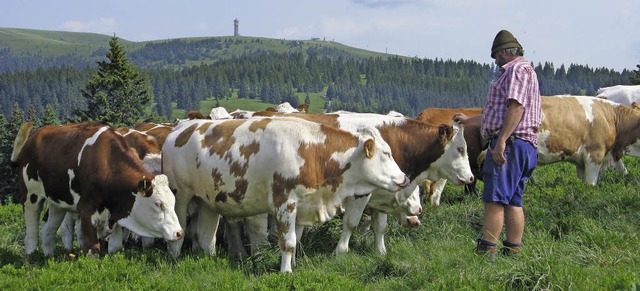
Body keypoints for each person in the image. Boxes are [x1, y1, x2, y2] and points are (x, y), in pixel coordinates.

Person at [453, 29, 541, 259]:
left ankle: (486, 252)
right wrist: (469, 121)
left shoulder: (517, 70)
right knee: (513, 200)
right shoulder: (523, 71)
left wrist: (501, 141)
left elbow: (516, 107)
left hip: (511, 144)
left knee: (494, 199)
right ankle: (513, 251)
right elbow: (500, 112)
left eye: (496, 55)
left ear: (505, 52)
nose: (495, 60)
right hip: (523, 144)